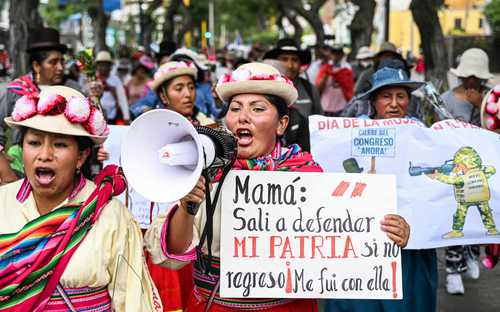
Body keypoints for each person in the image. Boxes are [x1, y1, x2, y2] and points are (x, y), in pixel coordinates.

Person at [144, 62, 410, 311]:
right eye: (235, 109)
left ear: (282, 124)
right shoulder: (205, 174)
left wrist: (391, 231)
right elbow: (174, 254)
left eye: (257, 109)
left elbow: (349, 235)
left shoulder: (307, 176)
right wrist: (188, 206)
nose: (243, 117)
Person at [0, 85, 161, 311]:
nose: (44, 155)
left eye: (60, 144)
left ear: (81, 157)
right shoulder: (2, 203)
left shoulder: (111, 215)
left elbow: (133, 300)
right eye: (34, 143)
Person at [325, 66, 436, 312]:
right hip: (361, 239)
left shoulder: (420, 134)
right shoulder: (350, 134)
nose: (394, 104)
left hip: (407, 240)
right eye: (386, 96)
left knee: (408, 299)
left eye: (401, 96)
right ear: (373, 102)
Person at [439, 47, 494, 295]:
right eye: (469, 76)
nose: (472, 80)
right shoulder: (446, 98)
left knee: (478, 217)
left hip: (481, 173)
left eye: (477, 77)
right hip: (455, 171)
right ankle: (452, 270)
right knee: (456, 218)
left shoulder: (492, 100)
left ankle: (472, 254)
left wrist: (479, 106)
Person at [0, 28, 78, 185]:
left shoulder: (72, 91)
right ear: (36, 65)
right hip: (20, 171)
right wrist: (5, 168)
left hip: (64, 174)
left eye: (62, 61)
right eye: (53, 62)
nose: (61, 67)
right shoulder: (17, 92)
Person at [264, 38, 323, 151]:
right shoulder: (265, 87)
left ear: (301, 64)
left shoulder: (310, 89)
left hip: (305, 154)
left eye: (294, 60)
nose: (290, 65)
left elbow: (319, 122)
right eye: (284, 59)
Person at [315, 44, 354, 116]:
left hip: (342, 107)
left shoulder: (347, 68)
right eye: (334, 53)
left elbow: (349, 87)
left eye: (338, 53)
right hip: (325, 107)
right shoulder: (325, 68)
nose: (336, 55)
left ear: (342, 54)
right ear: (331, 54)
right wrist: (326, 74)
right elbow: (318, 88)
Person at [94, 51, 130, 124]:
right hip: (95, 115)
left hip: (112, 115)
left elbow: (122, 98)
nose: (103, 68)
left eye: (106, 65)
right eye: (101, 65)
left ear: (110, 66)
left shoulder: (115, 80)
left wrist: (126, 116)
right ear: (97, 66)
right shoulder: (93, 79)